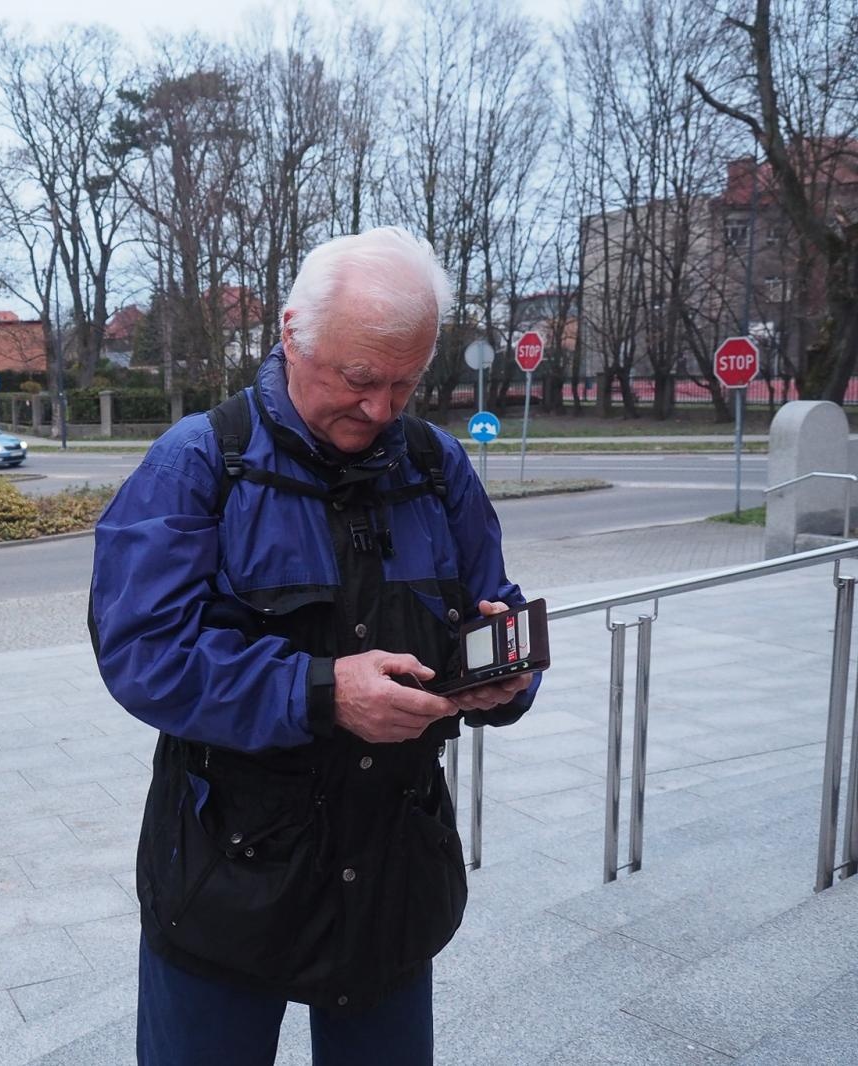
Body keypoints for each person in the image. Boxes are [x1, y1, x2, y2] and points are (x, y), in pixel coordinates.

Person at [88, 227, 538, 1066]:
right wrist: (324, 691)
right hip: (230, 875)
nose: (382, 411)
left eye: (406, 383)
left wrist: (503, 676)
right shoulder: (201, 461)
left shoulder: (438, 471)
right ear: (292, 333)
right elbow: (143, 651)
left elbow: (495, 604)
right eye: (361, 379)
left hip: (392, 872)